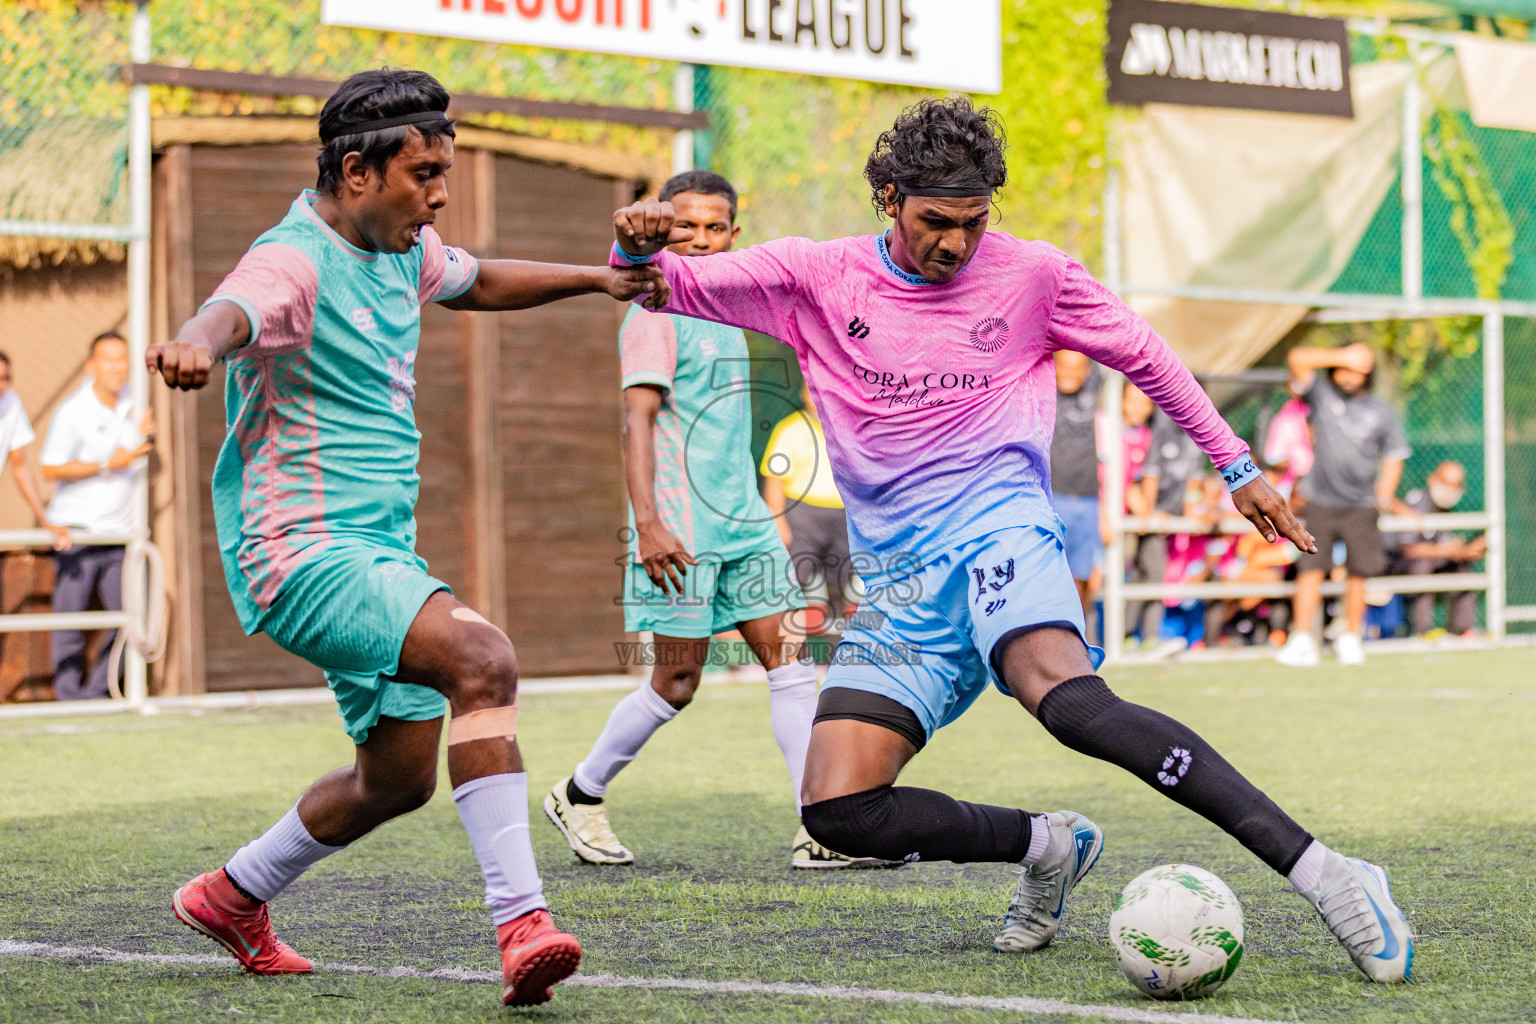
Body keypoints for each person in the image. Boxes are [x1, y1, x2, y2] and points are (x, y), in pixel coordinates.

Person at [609, 96, 1412, 983]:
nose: (956, 244)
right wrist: (637, 244)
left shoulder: (1032, 275)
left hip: (1001, 530)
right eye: (936, 223)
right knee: (837, 810)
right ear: (888, 197)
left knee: (1066, 702)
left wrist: (1236, 467)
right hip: (901, 587)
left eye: (974, 222)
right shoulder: (814, 275)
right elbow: (659, 285)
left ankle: (1328, 874)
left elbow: (1144, 353)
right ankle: (1047, 846)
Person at [144, 69, 666, 1007]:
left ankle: (232, 895)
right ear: (355, 171)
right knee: (482, 659)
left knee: (395, 779)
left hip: (376, 554)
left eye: (444, 175)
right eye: (424, 174)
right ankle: (523, 923)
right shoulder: (292, 262)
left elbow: (476, 280)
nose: (438, 195)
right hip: (300, 549)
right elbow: (230, 310)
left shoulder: (403, 249)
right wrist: (194, 342)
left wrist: (597, 279)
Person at [544, 171, 880, 871]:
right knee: (675, 684)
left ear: (735, 235)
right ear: (658, 231)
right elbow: (636, 425)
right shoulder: (651, 316)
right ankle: (580, 792)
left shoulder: (735, 313)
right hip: (680, 532)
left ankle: (818, 827)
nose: (698, 239)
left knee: (791, 666)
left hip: (745, 525)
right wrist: (651, 524)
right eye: (683, 226)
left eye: (714, 227)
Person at [1278, 343, 1409, 668]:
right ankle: (1303, 639)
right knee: (1310, 571)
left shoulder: (1380, 411)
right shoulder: (1321, 395)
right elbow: (1297, 358)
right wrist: (1341, 355)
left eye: (1357, 369)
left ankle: (1350, 637)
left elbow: (1395, 454)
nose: (1350, 375)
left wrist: (1383, 496)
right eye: (1344, 369)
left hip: (1361, 507)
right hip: (1320, 501)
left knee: (1358, 574)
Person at [39, 332, 149, 700]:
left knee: (126, 620)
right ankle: (68, 698)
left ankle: (97, 694)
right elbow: (50, 468)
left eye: (122, 359)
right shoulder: (73, 410)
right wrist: (107, 464)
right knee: (70, 622)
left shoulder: (135, 402)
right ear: (91, 366)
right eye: (108, 359)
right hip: (79, 534)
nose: (116, 367)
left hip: (121, 537)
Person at [762, 380, 855, 636]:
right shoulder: (790, 430)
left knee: (841, 583)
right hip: (801, 514)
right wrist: (778, 520)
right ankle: (780, 647)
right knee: (792, 579)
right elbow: (774, 479)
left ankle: (837, 651)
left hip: (843, 514)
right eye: (811, 389)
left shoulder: (851, 427)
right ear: (804, 393)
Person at [1388, 460, 1484, 637]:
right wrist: (1453, 551)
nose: (1450, 490)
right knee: (1421, 566)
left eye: (1456, 485)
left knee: (1461, 569)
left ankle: (1463, 630)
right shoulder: (1417, 500)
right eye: (1446, 482)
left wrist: (1469, 550)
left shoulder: (1448, 509)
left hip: (1434, 564)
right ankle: (1423, 632)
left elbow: (1451, 549)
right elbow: (1408, 549)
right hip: (1400, 565)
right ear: (1433, 479)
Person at [1050, 350, 1102, 622]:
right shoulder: (1046, 391)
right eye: (1064, 367)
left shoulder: (1095, 386)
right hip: (1053, 495)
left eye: (1076, 368)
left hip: (1088, 497)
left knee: (1084, 575)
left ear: (1088, 372)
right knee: (1052, 571)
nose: (1070, 374)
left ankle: (1079, 633)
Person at [0, 350, 70, 550]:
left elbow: (20, 466)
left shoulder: (10, 403)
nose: (1, 385)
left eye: (5, 378)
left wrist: (44, 519)